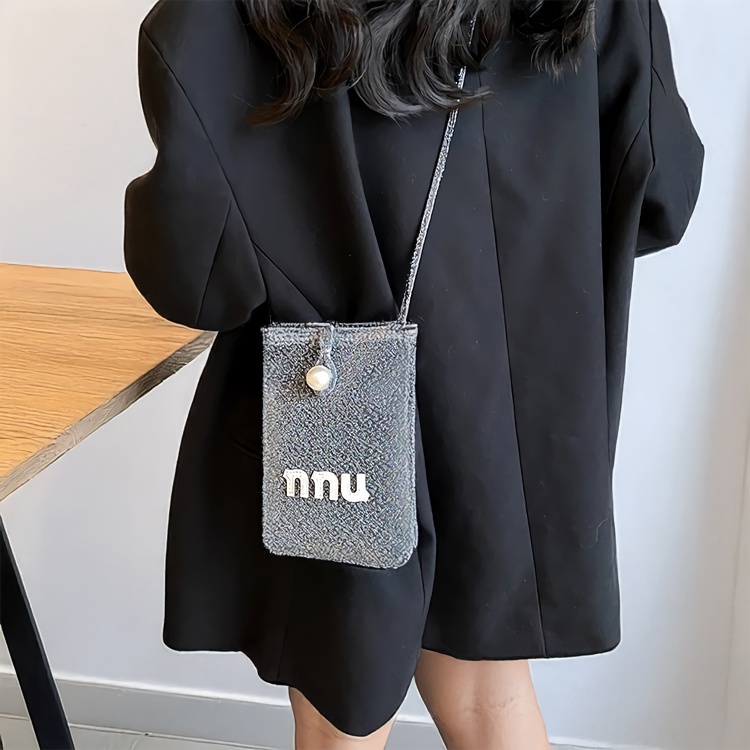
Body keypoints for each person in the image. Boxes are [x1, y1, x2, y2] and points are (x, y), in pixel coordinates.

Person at [124, 1, 703, 748]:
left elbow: (194, 277)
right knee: (489, 699)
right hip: (512, 421)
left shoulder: (223, 16)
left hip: (328, 413)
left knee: (341, 704)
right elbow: (660, 194)